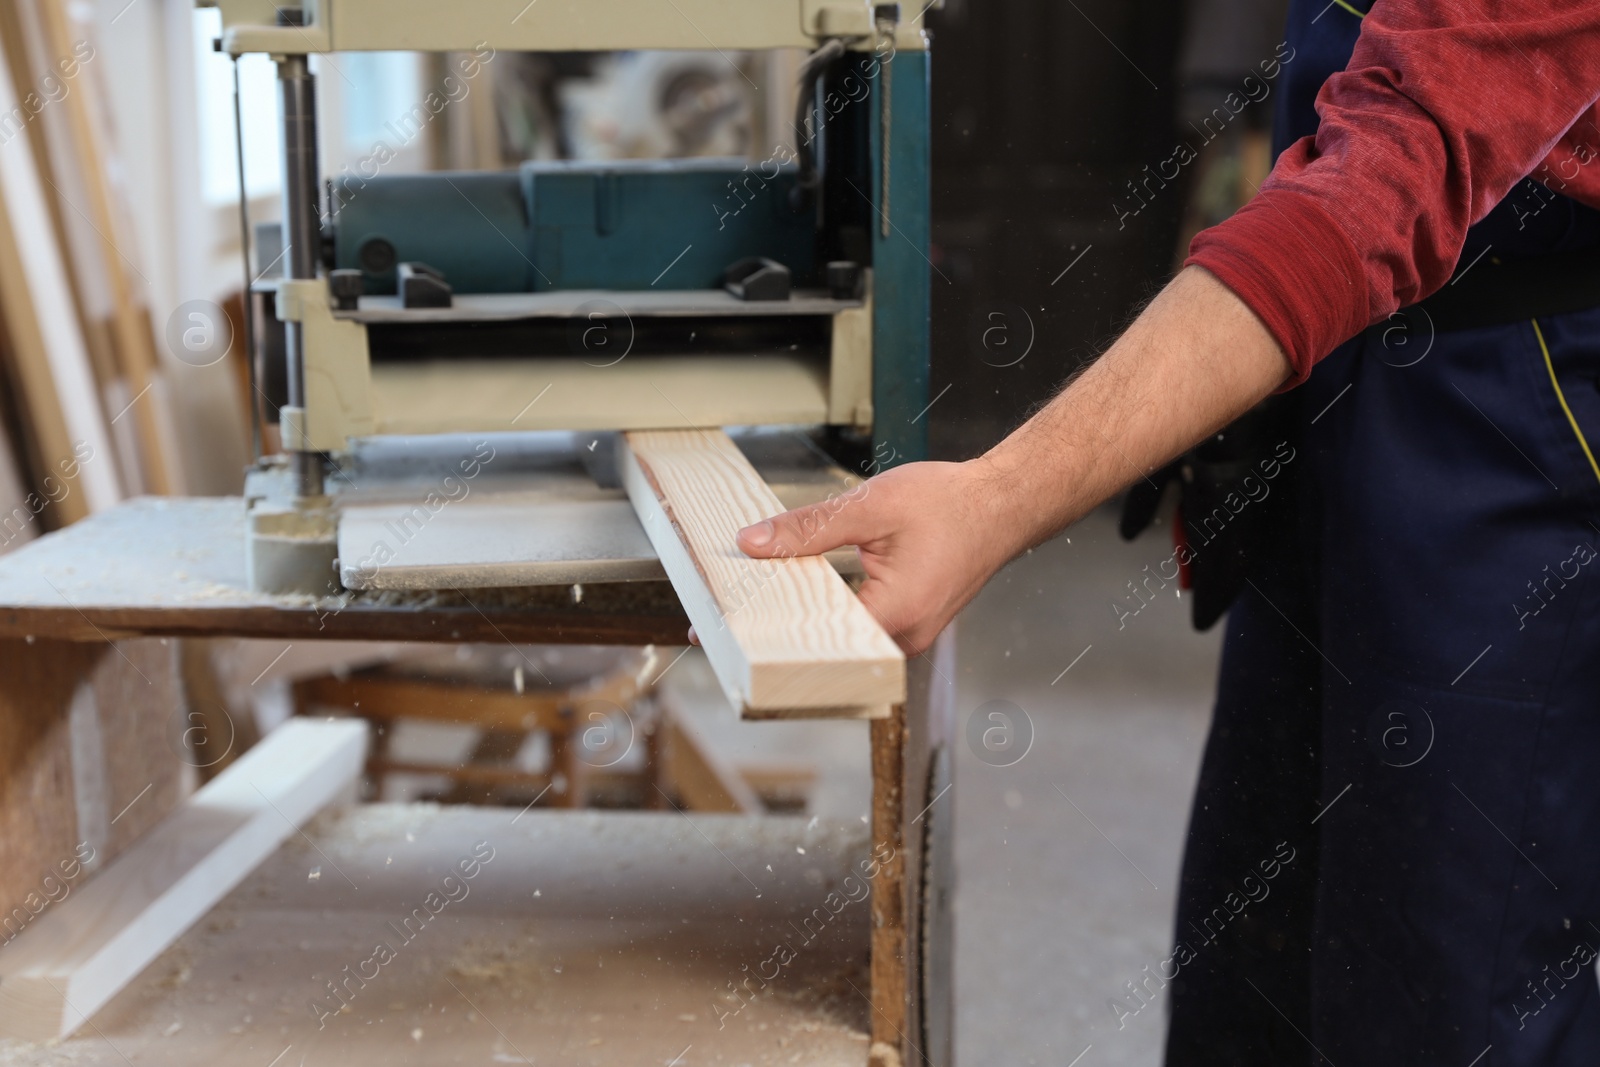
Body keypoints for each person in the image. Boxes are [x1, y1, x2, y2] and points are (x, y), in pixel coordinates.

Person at [736, 1, 1600, 1062]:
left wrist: (996, 499)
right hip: (1350, 380)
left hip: (1513, 414)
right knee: (1253, 980)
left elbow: (1384, 184)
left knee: (1449, 983)